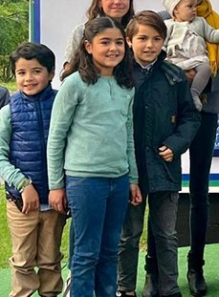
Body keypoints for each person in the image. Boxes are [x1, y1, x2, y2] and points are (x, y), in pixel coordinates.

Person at [48, 17, 142, 297]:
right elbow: (56, 137)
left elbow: (127, 136)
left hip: (119, 179)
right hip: (85, 181)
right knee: (86, 253)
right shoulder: (74, 84)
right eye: (105, 43)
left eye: (117, 42)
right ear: (88, 47)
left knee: (110, 251)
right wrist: (56, 185)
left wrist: (133, 178)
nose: (113, 48)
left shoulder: (127, 85)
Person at [156, 0, 219, 297]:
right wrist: (178, 81)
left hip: (206, 109)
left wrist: (201, 84)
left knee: (200, 191)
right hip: (167, 113)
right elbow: (151, 60)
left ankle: (196, 265)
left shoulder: (213, 24)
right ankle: (155, 268)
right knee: (160, 191)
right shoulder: (163, 23)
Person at [116, 11, 201, 297]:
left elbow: (191, 117)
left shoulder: (174, 75)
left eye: (156, 39)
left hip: (165, 168)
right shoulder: (118, 75)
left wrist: (177, 144)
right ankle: (124, 288)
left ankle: (169, 289)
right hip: (130, 171)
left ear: (164, 40)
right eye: (142, 38)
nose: (149, 45)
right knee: (129, 235)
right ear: (129, 40)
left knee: (166, 234)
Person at [0, 43, 66, 297]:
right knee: (23, 260)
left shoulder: (62, 104)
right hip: (21, 203)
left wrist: (62, 186)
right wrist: (23, 184)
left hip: (55, 199)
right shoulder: (8, 112)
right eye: (21, 72)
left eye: (36, 71)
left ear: (50, 73)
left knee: (50, 259)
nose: (28, 78)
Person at [161, 0, 219, 112]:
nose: (194, 10)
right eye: (189, 6)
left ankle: (195, 93)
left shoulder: (200, 22)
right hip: (176, 61)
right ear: (175, 10)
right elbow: (162, 44)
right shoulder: (168, 24)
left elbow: (213, 36)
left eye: (194, 6)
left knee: (206, 68)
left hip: (197, 59)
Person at [62, 0, 136, 70]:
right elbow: (69, 69)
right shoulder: (81, 32)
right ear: (99, 1)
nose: (117, 1)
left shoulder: (137, 34)